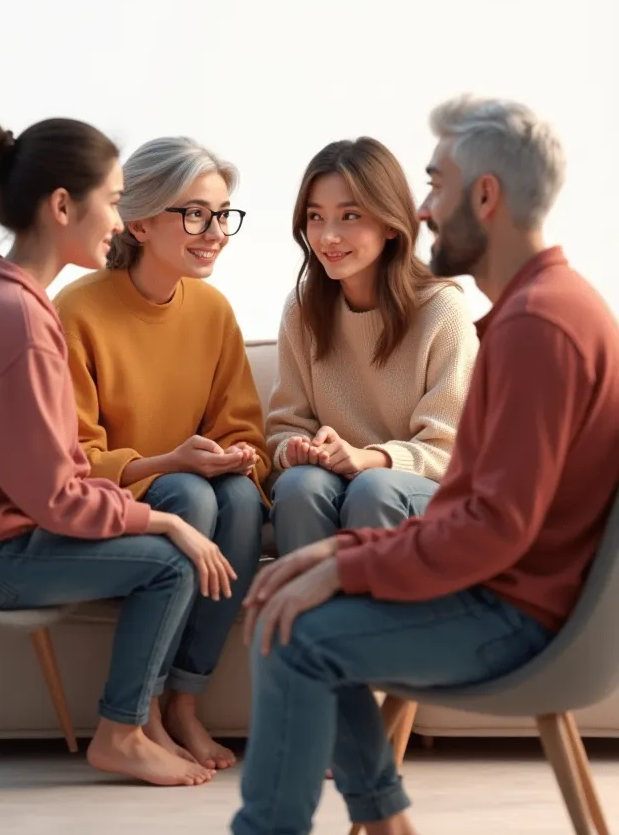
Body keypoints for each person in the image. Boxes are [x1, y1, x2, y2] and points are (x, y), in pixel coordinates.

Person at [231, 96, 619, 835]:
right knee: (297, 606)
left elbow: (490, 529)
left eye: (435, 186)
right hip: (518, 596)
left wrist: (340, 567)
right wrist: (342, 553)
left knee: (290, 629)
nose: (426, 209)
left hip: (522, 617)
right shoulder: (540, 311)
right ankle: (386, 826)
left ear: (485, 196)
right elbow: (475, 511)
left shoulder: (539, 326)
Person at [0, 118, 241, 789]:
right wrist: (163, 519)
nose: (117, 217)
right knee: (170, 565)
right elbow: (48, 493)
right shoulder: (17, 319)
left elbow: (50, 474)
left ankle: (138, 723)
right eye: (112, 199)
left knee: (176, 538)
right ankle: (122, 732)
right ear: (63, 206)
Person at [53, 136, 269, 771]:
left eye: (223, 214)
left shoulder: (212, 311)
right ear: (140, 221)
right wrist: (169, 463)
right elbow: (72, 456)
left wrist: (235, 456)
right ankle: (139, 711)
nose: (215, 232)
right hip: (125, 502)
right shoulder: (77, 310)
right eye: (195, 213)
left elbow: (245, 431)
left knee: (237, 497)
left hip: (192, 486)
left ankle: (184, 705)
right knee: (190, 492)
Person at [267, 137, 478, 557]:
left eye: (349, 216)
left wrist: (372, 459)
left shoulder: (442, 310)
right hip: (342, 478)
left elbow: (450, 449)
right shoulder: (302, 310)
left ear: (389, 222)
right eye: (315, 217)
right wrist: (297, 448)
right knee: (297, 485)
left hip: (421, 492)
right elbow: (285, 425)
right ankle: (305, 620)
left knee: (372, 489)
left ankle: (374, 620)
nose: (327, 236)